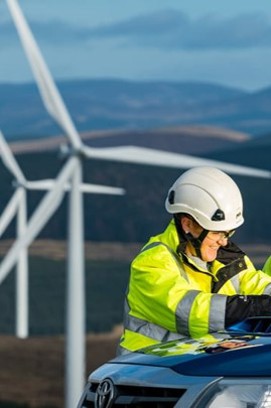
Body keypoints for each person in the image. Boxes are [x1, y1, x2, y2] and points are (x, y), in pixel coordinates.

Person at [117, 166, 271, 355]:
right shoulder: (152, 263)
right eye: (216, 232)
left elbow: (257, 285)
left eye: (228, 233)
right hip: (143, 374)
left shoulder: (227, 259)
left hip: (194, 374)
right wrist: (255, 307)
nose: (223, 241)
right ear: (188, 224)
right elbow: (191, 312)